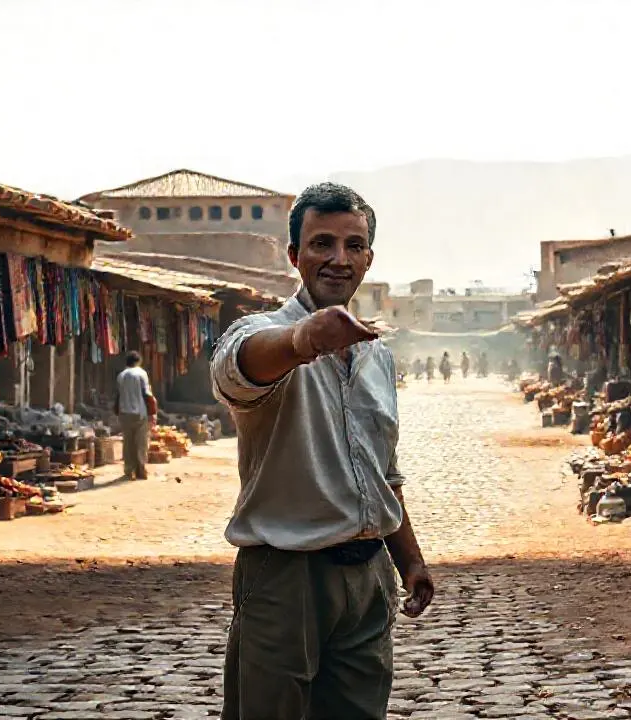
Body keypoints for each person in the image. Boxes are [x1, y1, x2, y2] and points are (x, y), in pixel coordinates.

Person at [210, 183, 434, 720]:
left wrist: (410, 559)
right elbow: (238, 368)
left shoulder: (376, 356)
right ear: (295, 255)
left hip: (367, 579)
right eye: (322, 243)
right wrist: (303, 338)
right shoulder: (261, 333)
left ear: (368, 259)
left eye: (354, 246)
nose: (339, 259)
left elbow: (383, 472)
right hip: (285, 580)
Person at [113, 351, 155, 481]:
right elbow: (147, 395)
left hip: (125, 413)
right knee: (141, 442)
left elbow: (118, 395)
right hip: (139, 413)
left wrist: (117, 411)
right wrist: (152, 413)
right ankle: (141, 470)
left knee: (128, 442)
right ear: (138, 361)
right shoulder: (141, 373)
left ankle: (129, 470)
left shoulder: (121, 376)